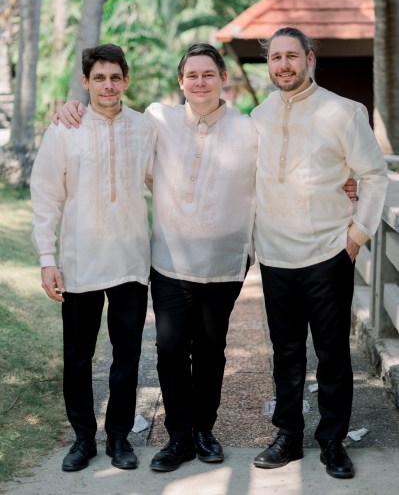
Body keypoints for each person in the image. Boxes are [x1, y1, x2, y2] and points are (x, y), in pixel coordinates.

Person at [55, 42, 358, 473]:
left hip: (225, 263)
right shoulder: (158, 120)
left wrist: (347, 185)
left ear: (223, 80)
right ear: (181, 82)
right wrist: (72, 108)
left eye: (207, 74)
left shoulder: (250, 127)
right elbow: (113, 119)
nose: (200, 82)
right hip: (169, 262)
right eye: (191, 75)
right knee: (171, 349)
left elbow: (288, 172)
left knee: (212, 351)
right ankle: (178, 437)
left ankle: (204, 431)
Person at [251, 27, 388, 480]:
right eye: (276, 58)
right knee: (285, 353)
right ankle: (288, 436)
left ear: (310, 58)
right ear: (268, 64)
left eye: (292, 56)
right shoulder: (258, 115)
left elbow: (372, 175)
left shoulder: (344, 111)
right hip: (275, 255)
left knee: (331, 353)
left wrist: (356, 238)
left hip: (330, 252)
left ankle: (332, 441)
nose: (284, 65)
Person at [30, 44, 154, 473]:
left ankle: (119, 437)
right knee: (78, 357)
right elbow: (46, 196)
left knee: (127, 355)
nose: (108, 85)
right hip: (80, 262)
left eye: (115, 77)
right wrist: (48, 258)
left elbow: (167, 182)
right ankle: (83, 438)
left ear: (126, 80)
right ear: (86, 82)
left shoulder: (145, 128)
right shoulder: (65, 129)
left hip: (131, 262)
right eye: (99, 78)